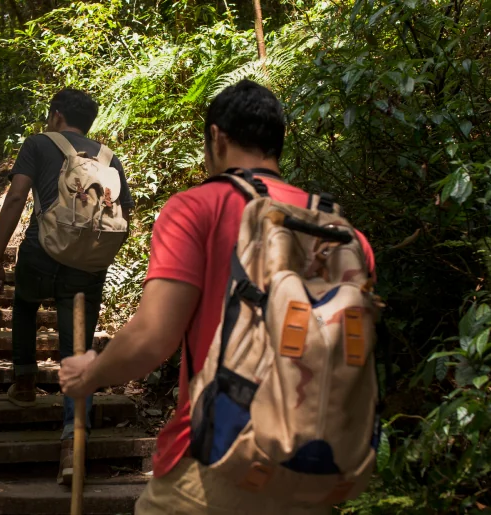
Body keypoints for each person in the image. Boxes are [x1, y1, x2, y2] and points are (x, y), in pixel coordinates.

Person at [59, 80, 376, 514]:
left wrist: (90, 375)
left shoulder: (197, 207)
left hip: (219, 458)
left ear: (216, 137)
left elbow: (154, 337)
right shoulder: (342, 234)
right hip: (319, 469)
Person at [0, 88, 135, 485]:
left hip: (42, 251)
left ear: (56, 116)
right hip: (87, 263)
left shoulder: (38, 143)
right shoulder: (108, 158)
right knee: (77, 347)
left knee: (24, 303)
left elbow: (18, 196)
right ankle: (73, 443)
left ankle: (24, 381)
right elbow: (125, 213)